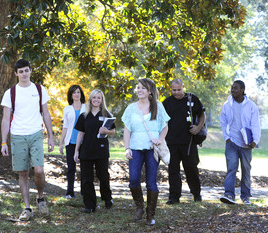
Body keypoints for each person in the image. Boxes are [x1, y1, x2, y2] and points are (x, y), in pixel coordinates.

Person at [1, 59, 54, 221]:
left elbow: (46, 114)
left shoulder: (39, 89)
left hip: (36, 133)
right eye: (21, 71)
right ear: (16, 73)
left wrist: (51, 136)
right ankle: (27, 207)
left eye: (26, 70)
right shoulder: (10, 93)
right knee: (23, 172)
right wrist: (4, 141)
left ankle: (40, 198)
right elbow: (5, 119)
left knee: (38, 170)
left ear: (31, 71)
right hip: (17, 135)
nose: (24, 74)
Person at [121, 78, 170, 226]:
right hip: (135, 148)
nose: (140, 90)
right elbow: (127, 130)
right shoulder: (131, 108)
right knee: (134, 180)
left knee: (151, 183)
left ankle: (151, 214)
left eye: (143, 88)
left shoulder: (158, 106)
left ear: (149, 91)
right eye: (138, 87)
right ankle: (140, 207)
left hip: (151, 149)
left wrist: (160, 139)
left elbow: (165, 127)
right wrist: (127, 148)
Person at [162, 78, 206, 204]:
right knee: (173, 171)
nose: (176, 92)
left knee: (191, 169)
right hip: (171, 142)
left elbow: (202, 114)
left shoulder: (192, 99)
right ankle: (174, 197)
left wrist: (198, 128)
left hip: (189, 142)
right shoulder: (166, 103)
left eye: (179, 90)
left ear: (183, 87)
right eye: (174, 90)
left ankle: (197, 194)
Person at [219, 80, 261, 205]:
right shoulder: (227, 105)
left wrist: (255, 140)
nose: (233, 90)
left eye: (235, 88)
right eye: (232, 88)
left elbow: (255, 124)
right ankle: (229, 194)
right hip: (231, 142)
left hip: (246, 144)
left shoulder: (251, 106)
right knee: (231, 169)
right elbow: (223, 122)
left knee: (246, 170)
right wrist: (227, 137)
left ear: (242, 89)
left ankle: (245, 196)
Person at [74, 89, 115, 213]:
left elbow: (112, 131)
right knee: (86, 179)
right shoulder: (84, 115)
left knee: (103, 176)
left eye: (99, 98)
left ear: (102, 100)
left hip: (101, 150)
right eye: (94, 97)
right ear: (90, 99)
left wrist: (106, 131)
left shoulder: (107, 114)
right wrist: (76, 151)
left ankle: (107, 198)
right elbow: (80, 134)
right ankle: (90, 205)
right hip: (86, 150)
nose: (96, 100)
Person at [59, 85, 86, 198]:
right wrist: (61, 143)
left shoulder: (86, 107)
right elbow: (65, 127)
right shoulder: (67, 109)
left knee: (85, 168)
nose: (76, 94)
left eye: (78, 92)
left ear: (81, 94)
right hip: (70, 141)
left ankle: (84, 192)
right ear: (71, 95)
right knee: (71, 168)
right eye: (74, 92)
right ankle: (70, 192)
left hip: (84, 142)